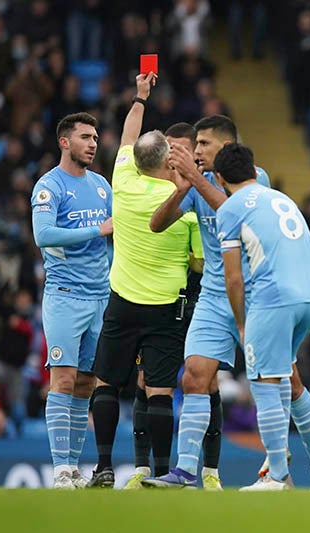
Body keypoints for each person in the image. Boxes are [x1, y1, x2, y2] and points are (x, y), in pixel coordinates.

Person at [144, 115, 310, 490]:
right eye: (194, 145)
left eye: (204, 144)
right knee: (195, 374)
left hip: (257, 293)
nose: (196, 151)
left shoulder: (254, 178)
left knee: (290, 383)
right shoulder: (195, 184)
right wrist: (182, 189)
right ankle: (185, 470)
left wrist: (196, 181)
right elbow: (157, 224)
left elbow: (230, 208)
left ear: (227, 147)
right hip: (216, 295)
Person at [87, 73, 203, 488]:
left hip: (122, 301)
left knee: (105, 384)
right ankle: (159, 473)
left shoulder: (123, 181)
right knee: (158, 393)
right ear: (168, 162)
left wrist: (140, 97)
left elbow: (128, 135)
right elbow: (197, 263)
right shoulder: (186, 207)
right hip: (166, 308)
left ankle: (102, 466)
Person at [123, 122, 208, 490]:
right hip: (159, 299)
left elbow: (203, 262)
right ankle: (145, 467)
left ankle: (207, 470)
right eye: (168, 150)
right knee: (148, 380)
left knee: (202, 380)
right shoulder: (155, 192)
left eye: (180, 149)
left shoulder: (198, 194)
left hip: (197, 296)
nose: (172, 156)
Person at [30, 112, 113, 489]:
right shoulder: (49, 186)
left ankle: (75, 469)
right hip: (65, 296)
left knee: (86, 384)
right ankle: (61, 469)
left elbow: (115, 239)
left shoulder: (100, 186)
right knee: (62, 380)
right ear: (64, 141)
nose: (93, 143)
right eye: (84, 137)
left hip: (100, 296)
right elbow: (44, 235)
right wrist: (98, 228)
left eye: (95, 137)